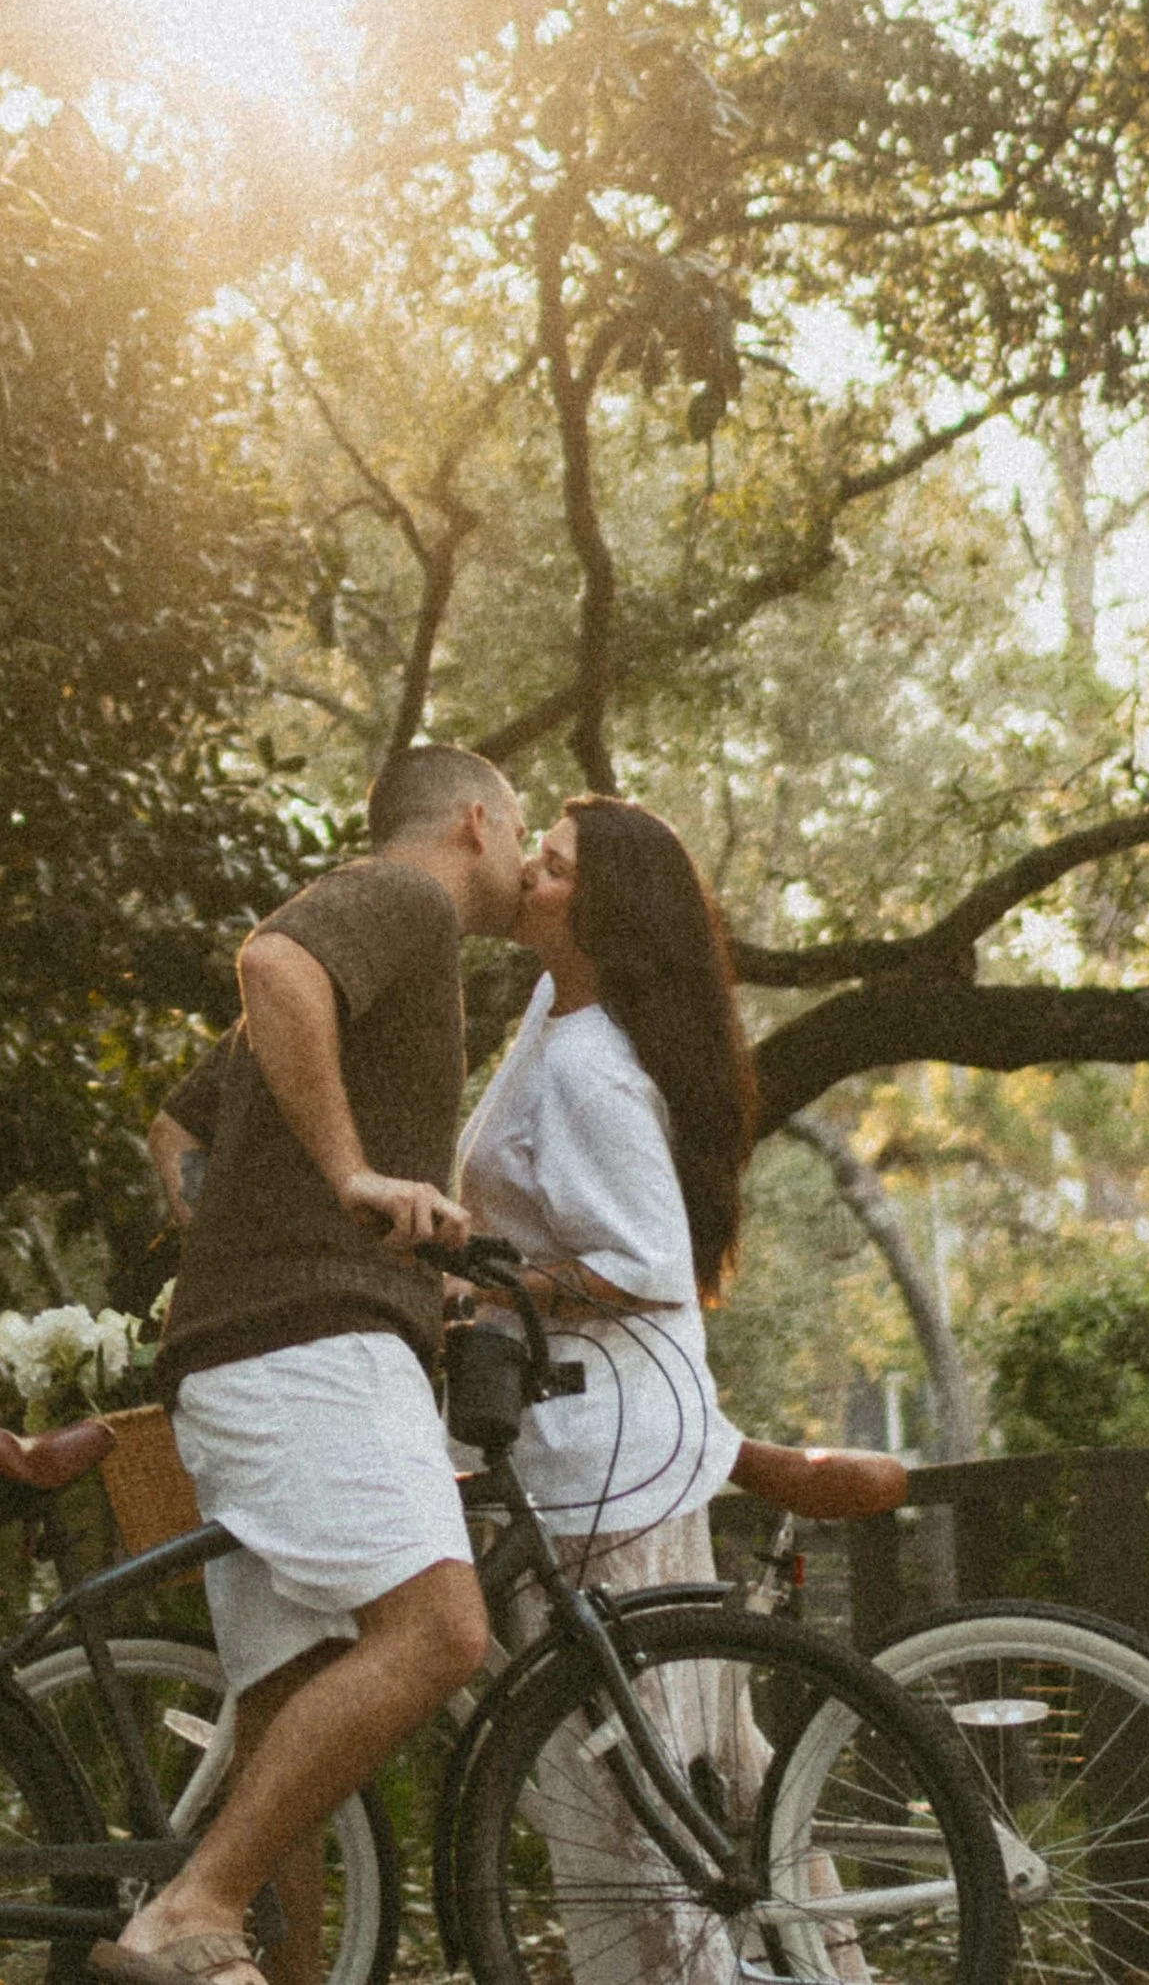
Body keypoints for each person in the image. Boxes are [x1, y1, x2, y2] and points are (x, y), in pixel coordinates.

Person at [106, 743, 529, 1985]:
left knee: (287, 1715)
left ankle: (224, 1941)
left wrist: (264, 1234)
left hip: (245, 1351)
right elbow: (274, 962)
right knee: (440, 1633)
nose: (525, 862)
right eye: (523, 834)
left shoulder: (393, 968)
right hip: (311, 1352)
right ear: (475, 820)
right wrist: (347, 1183)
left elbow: (177, 1127)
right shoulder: (406, 899)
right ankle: (193, 1906)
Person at [452, 794, 761, 1985]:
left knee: (639, 1797)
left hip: (611, 1456)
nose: (527, 872)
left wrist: (486, 1290)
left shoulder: (589, 1066)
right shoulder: (555, 1008)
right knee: (662, 1771)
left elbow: (643, 1264)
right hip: (578, 1435)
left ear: (604, 911)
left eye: (554, 865)